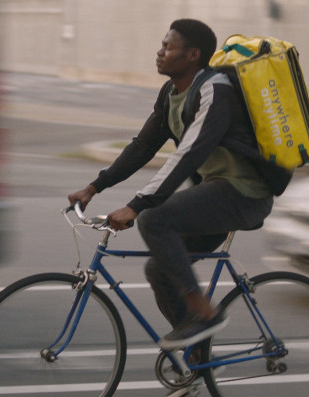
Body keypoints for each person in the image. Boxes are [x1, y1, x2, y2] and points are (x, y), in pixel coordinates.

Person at [68, 19, 287, 354]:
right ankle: (197, 359)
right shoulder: (171, 94)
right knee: (160, 268)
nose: (160, 51)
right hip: (215, 194)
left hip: (244, 193)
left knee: (155, 220)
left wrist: (138, 204)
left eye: (168, 46)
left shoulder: (216, 90)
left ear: (192, 55)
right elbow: (142, 147)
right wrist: (95, 186)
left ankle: (204, 313)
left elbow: (189, 152)